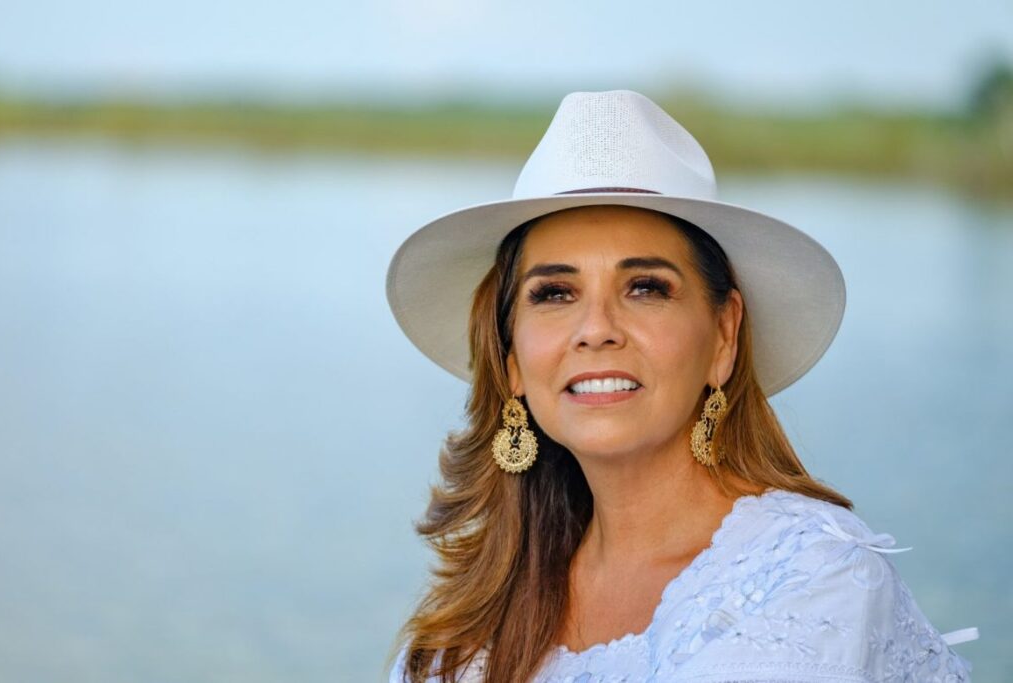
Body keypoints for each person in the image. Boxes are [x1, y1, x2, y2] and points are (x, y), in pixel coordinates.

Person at [381, 90, 979, 682]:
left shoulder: (813, 580)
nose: (596, 329)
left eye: (646, 287)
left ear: (724, 335)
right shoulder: (473, 619)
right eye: (555, 293)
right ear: (511, 360)